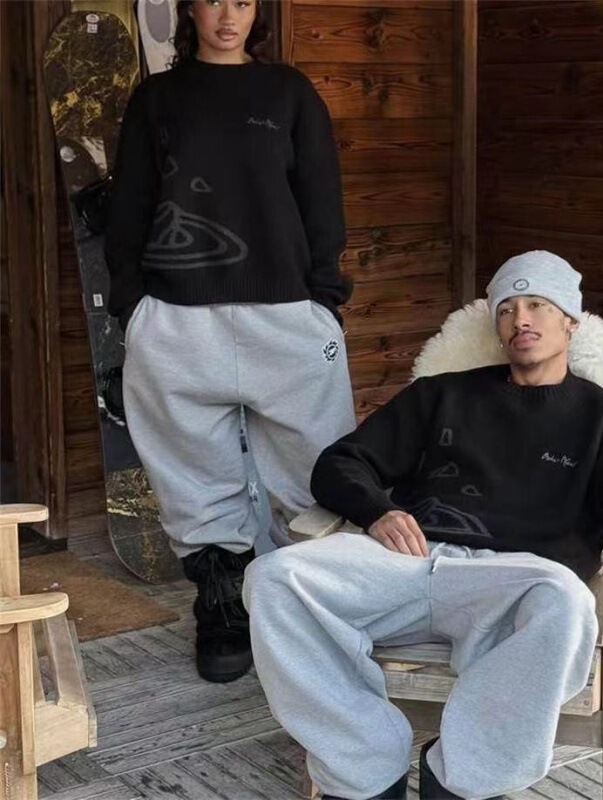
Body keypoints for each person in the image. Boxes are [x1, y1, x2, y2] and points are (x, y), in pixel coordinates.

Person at [243, 250, 603, 800]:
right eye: (507, 309)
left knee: (567, 603)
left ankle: (461, 779)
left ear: (570, 322)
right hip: (407, 561)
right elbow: (339, 463)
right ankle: (365, 761)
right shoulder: (441, 394)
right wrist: (377, 510)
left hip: (512, 580)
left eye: (538, 305)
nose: (521, 319)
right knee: (273, 578)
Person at [105, 0, 355, 684]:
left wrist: (323, 300)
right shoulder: (157, 99)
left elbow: (321, 200)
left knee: (320, 467)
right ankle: (223, 609)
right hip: (177, 318)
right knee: (192, 475)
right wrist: (133, 307)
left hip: (288, 315)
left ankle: (320, 602)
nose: (227, 15)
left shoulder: (289, 93)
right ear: (190, 9)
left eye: (242, 1)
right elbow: (129, 205)